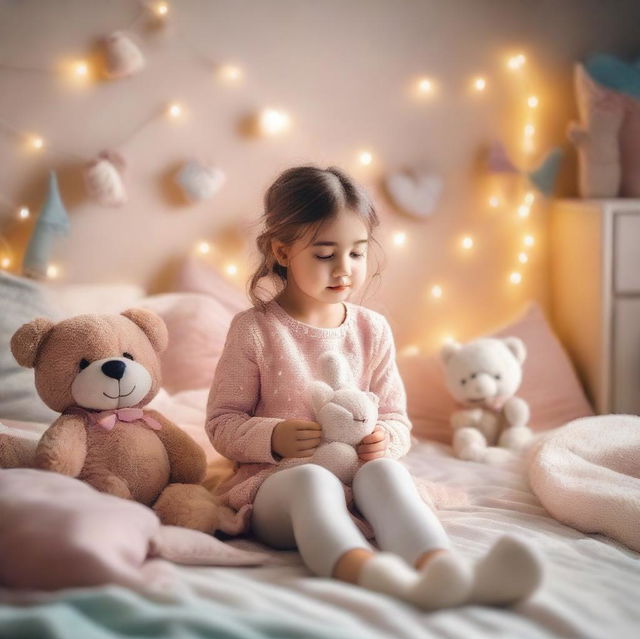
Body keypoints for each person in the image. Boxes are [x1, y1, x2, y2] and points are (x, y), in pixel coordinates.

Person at [205, 165, 542, 609]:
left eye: (357, 253)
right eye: (326, 255)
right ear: (282, 251)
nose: (345, 270)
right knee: (311, 481)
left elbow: (396, 419)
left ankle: (444, 570)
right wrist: (273, 437)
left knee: (387, 473)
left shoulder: (372, 329)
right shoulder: (254, 330)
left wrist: (384, 440)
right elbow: (222, 422)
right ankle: (374, 575)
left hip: (357, 478)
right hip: (279, 486)